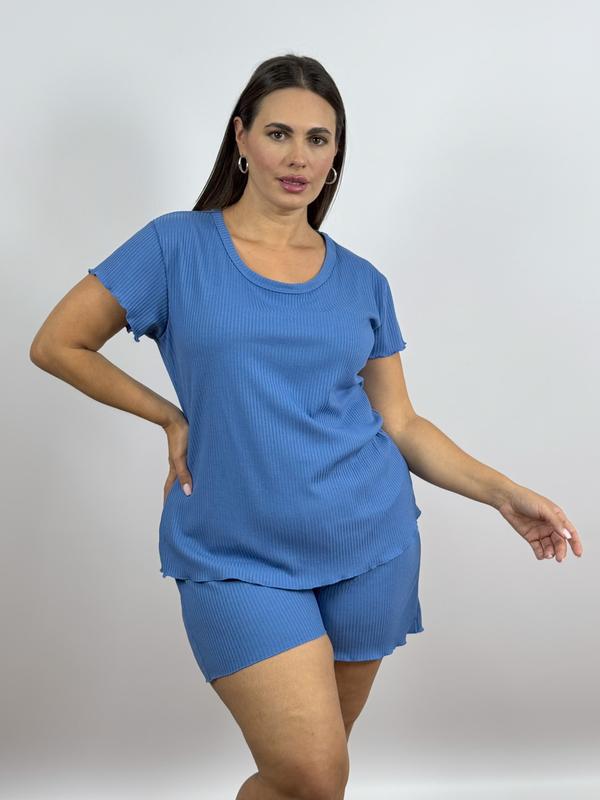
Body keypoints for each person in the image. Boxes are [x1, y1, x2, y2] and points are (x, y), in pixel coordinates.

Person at [30, 53, 583, 800]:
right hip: (234, 551)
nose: (298, 156)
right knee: (314, 774)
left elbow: (400, 422)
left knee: (307, 785)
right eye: (279, 133)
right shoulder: (175, 246)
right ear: (241, 138)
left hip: (366, 543)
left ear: (335, 156)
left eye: (318, 139)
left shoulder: (361, 280)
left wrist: (502, 492)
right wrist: (168, 415)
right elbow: (57, 343)